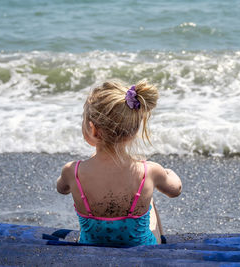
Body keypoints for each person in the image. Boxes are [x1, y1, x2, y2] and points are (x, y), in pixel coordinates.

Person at [56, 80, 182, 247]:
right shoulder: (149, 172)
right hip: (141, 249)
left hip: (89, 246)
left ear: (93, 129)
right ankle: (160, 251)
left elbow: (61, 188)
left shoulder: (73, 171)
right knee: (149, 200)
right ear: (134, 130)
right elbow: (175, 191)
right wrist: (168, 172)